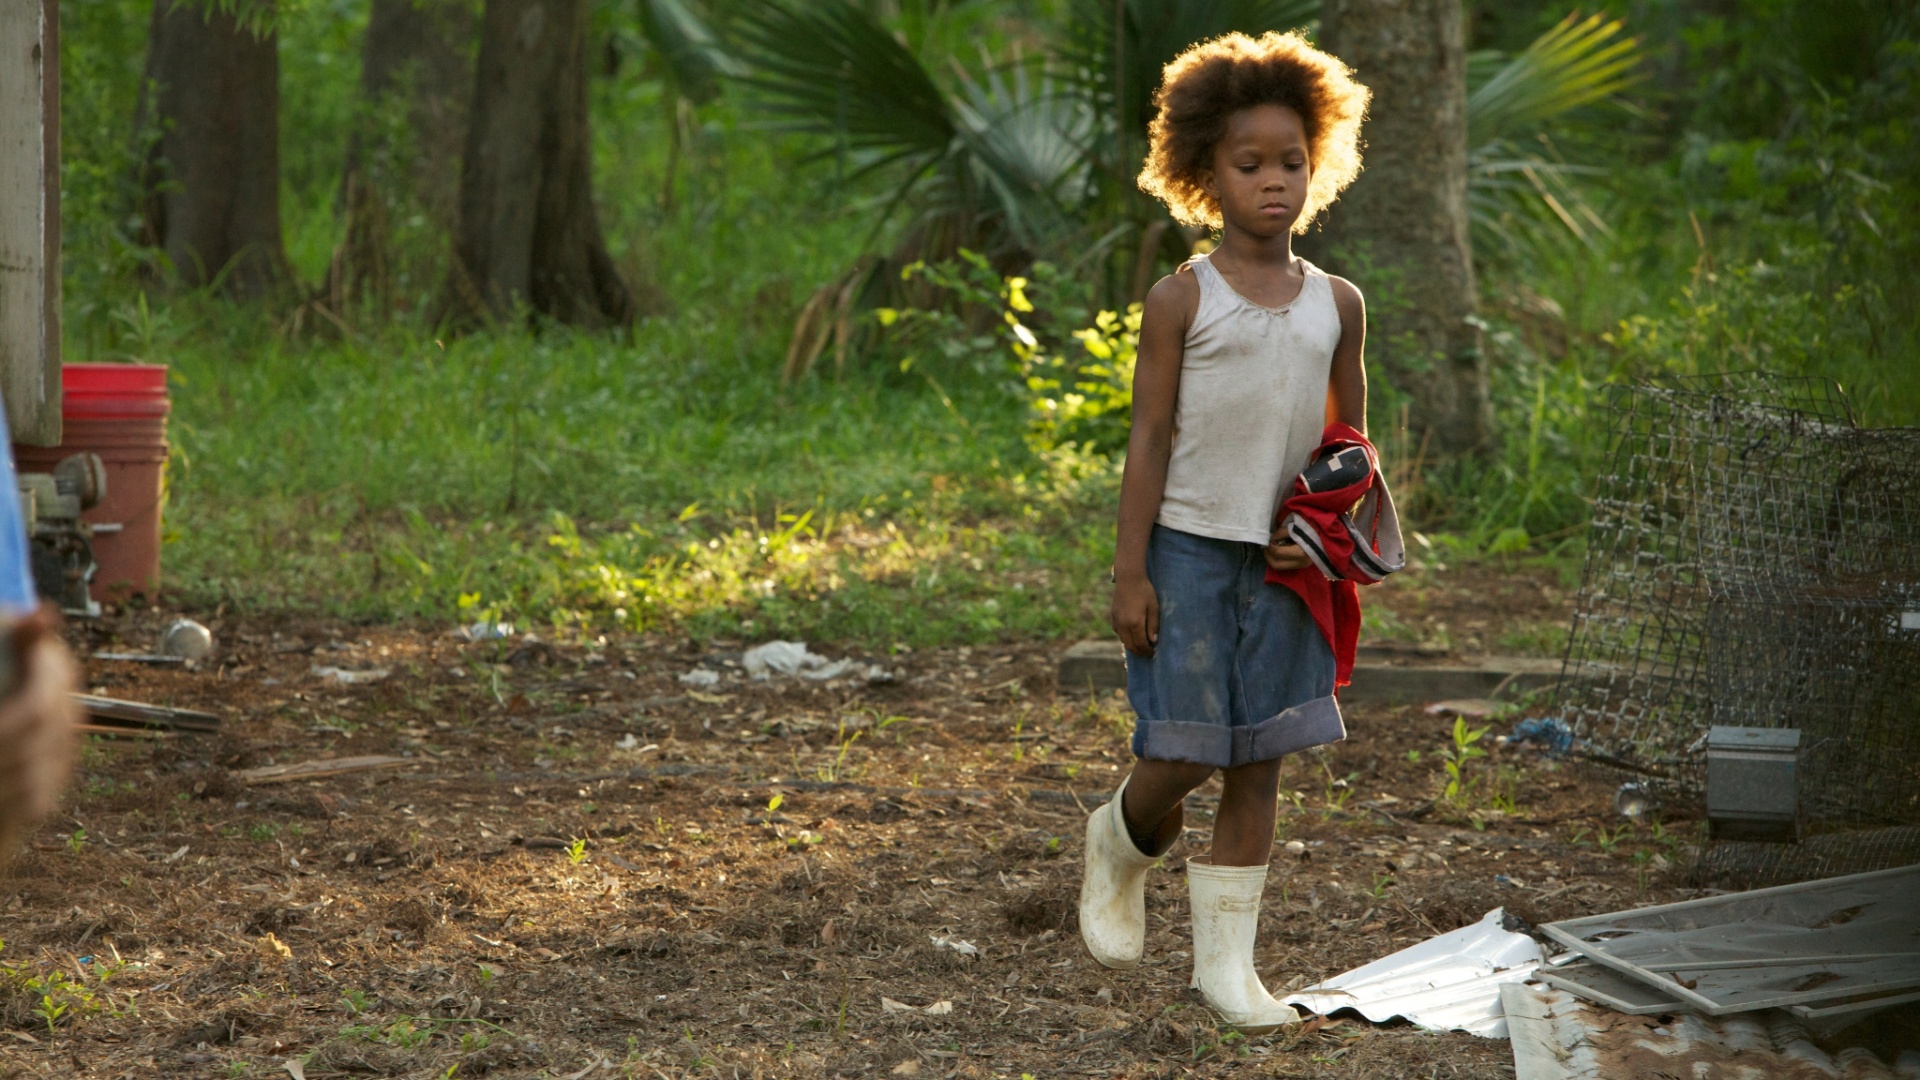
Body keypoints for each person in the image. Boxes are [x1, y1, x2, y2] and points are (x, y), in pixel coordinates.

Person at [1078, 31, 1371, 1032]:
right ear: (1205, 175)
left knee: (1260, 761)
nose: (1275, 182)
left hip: (1285, 564)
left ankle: (1228, 973)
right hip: (1190, 551)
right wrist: (1130, 571)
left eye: (1291, 161)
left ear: (1316, 162)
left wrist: (1323, 536)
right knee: (1188, 751)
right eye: (1250, 165)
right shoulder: (1180, 301)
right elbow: (1149, 437)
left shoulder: (1338, 305)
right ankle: (1119, 841)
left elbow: (1349, 446)